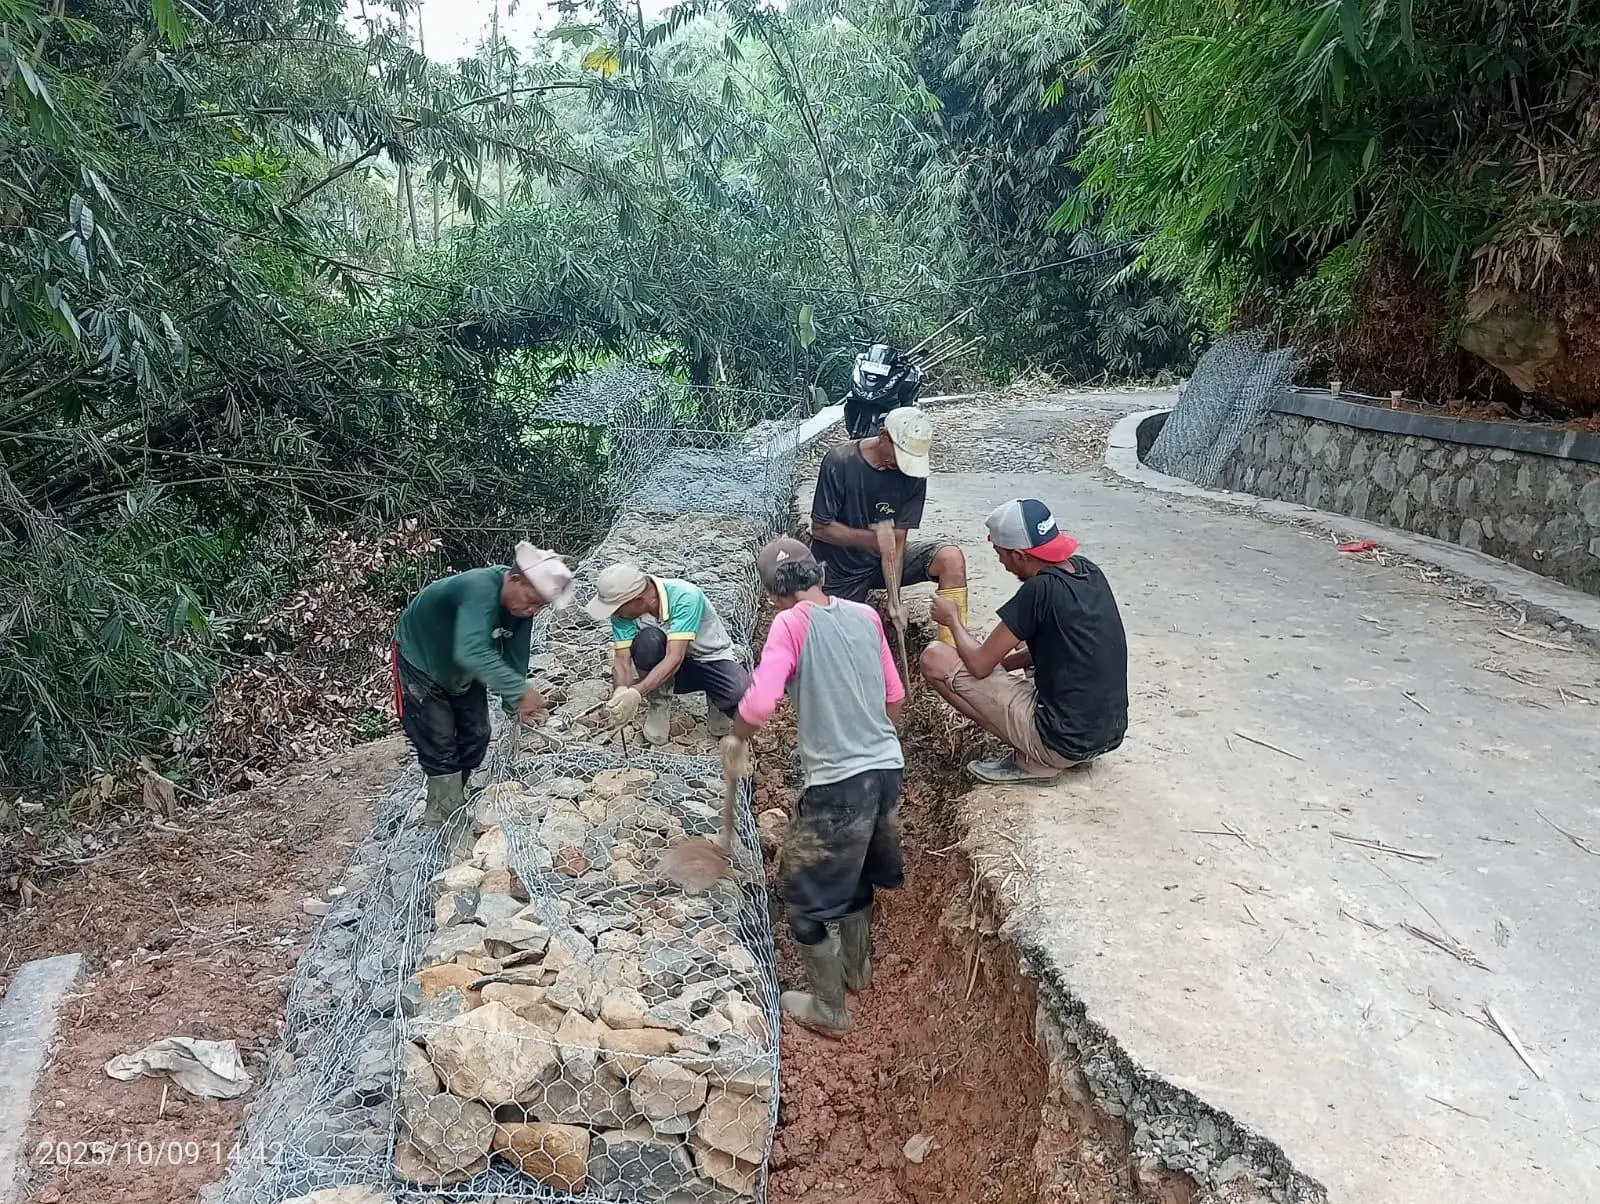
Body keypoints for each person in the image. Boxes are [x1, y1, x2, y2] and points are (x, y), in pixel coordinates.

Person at [723, 537, 905, 1036]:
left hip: (837, 785)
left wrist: (737, 738)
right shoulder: (865, 617)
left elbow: (760, 705)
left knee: (803, 902)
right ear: (818, 574)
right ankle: (857, 971)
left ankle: (831, 1010)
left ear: (772, 594)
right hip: (887, 772)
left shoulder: (790, 623)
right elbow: (895, 695)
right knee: (858, 875)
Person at [921, 498, 1127, 784]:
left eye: (1000, 553)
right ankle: (1056, 750)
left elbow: (980, 666)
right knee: (1019, 639)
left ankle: (1033, 756)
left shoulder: (1038, 590)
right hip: (1105, 734)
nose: (1001, 561)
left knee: (934, 658)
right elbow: (1060, 646)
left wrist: (952, 620)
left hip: (1060, 741)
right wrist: (1003, 665)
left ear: (1018, 555)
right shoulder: (1087, 571)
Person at [392, 543, 574, 825]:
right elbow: (472, 650)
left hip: (463, 667)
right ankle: (444, 819)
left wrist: (514, 704)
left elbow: (516, 654)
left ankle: (455, 793)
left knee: (477, 734)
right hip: (422, 660)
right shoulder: (478, 587)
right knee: (439, 746)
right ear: (514, 579)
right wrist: (518, 689)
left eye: (541, 605)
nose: (533, 610)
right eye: (532, 599)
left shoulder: (519, 608)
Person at [809, 405, 969, 644]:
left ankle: (953, 653)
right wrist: (870, 540)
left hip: (880, 565)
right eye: (899, 454)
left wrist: (895, 603)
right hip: (838, 572)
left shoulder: (912, 475)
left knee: (950, 558)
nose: (901, 465)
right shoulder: (840, 462)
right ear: (883, 436)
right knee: (844, 641)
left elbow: (898, 541)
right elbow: (820, 528)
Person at [585, 562, 752, 745]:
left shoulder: (685, 596)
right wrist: (621, 693)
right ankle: (659, 704)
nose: (615, 614)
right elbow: (622, 659)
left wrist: (636, 693)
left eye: (617, 608)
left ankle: (716, 702)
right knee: (648, 641)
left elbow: (675, 657)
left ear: (638, 599)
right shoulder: (623, 614)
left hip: (710, 660)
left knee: (739, 690)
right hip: (671, 671)